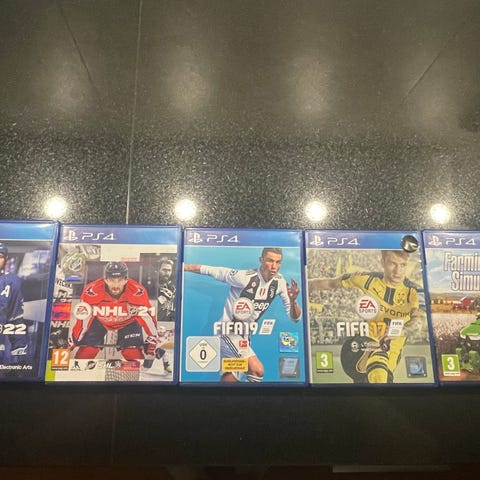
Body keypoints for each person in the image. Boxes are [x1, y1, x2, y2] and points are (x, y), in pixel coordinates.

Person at [184, 247, 301, 383]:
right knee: (257, 370)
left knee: (231, 378)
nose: (274, 266)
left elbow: (295, 318)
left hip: (244, 336)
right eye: (270, 261)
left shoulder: (280, 283)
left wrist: (293, 301)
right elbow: (212, 270)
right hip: (227, 332)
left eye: (278, 262)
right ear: (261, 260)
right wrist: (184, 267)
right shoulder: (244, 277)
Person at [308, 249, 422, 383]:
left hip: (391, 354)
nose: (398, 271)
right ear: (382, 262)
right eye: (393, 264)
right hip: (362, 346)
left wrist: (401, 331)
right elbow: (330, 283)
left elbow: (419, 321)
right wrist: (300, 284)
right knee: (377, 366)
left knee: (370, 383)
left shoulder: (415, 292)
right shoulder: (367, 279)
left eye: (403, 265)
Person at [70, 262, 163, 363]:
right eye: (111, 280)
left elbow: (148, 316)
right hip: (100, 321)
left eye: (120, 280)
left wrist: (153, 337)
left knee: (132, 354)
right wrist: (75, 339)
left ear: (126, 280)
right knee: (86, 352)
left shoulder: (136, 291)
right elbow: (83, 318)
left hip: (128, 322)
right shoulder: (92, 291)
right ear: (105, 279)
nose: (115, 285)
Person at [0, 243, 27, 364]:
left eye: (0, 256)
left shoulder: (13, 282)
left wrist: (18, 348)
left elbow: (15, 318)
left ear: (6, 259)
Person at [156, 257, 176, 322]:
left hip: (167, 323)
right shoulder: (152, 287)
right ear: (158, 270)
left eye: (169, 270)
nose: (167, 272)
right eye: (164, 270)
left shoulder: (172, 287)